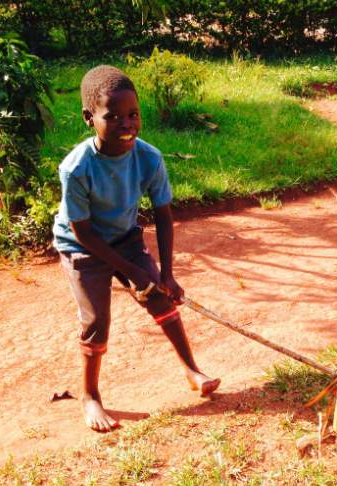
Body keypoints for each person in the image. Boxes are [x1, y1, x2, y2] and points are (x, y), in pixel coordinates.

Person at [53, 64, 220, 432]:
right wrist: (133, 272)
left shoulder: (149, 157)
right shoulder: (77, 168)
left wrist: (167, 274)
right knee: (96, 320)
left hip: (124, 237)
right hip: (81, 246)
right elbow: (83, 234)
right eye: (112, 117)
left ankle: (192, 371)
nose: (126, 124)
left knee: (159, 297)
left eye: (133, 115)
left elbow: (163, 214)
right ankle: (90, 396)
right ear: (88, 118)